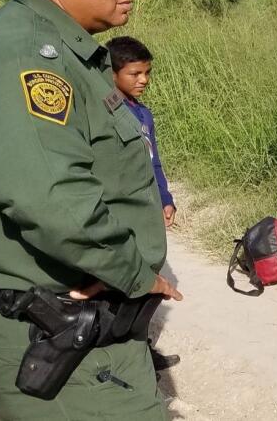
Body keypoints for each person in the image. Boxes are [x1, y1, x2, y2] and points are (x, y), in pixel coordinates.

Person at [0, 0, 182, 420]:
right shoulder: (27, 56)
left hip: (79, 333)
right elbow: (49, 196)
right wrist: (133, 271)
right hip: (57, 336)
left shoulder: (67, 51)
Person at [105, 35, 182, 372]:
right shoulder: (102, 113)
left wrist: (165, 198)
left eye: (147, 73)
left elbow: (154, 162)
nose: (144, 80)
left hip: (147, 211)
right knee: (120, 285)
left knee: (148, 280)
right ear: (112, 73)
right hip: (119, 213)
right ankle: (116, 355)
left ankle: (139, 348)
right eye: (135, 74)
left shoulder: (142, 113)